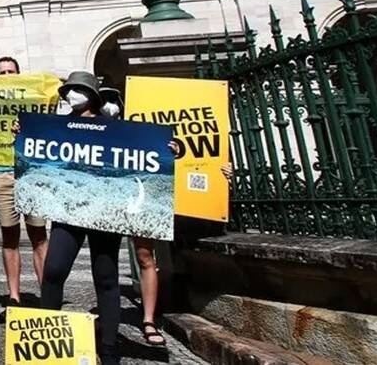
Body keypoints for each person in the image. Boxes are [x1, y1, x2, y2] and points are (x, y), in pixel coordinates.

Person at [124, 84, 233, 350]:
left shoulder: (217, 130)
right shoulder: (131, 126)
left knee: (178, 254)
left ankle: (170, 304)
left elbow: (212, 158)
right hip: (148, 194)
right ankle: (149, 319)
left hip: (188, 199)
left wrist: (226, 174)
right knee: (145, 256)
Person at [38, 71, 124, 365]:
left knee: (106, 276)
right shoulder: (56, 126)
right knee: (53, 269)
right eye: (68, 90)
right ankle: (48, 339)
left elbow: (143, 152)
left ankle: (110, 347)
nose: (71, 94)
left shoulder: (115, 127)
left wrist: (173, 149)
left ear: (92, 95)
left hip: (104, 210)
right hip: (69, 208)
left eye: (77, 89)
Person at [0, 56, 48, 314]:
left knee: (39, 235)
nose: (6, 75)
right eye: (1, 72)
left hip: (32, 174)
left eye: (11, 71)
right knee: (9, 237)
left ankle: (47, 295)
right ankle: (14, 296)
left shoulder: (34, 102)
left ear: (19, 74)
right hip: (1, 174)